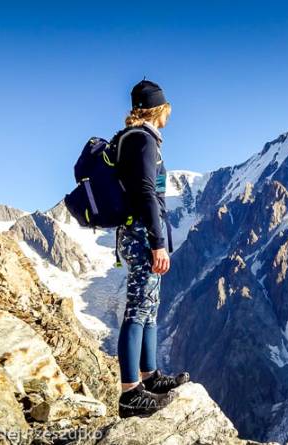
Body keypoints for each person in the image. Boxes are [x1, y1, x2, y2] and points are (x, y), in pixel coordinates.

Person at [114, 79, 189, 418]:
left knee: (149, 307)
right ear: (159, 109)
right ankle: (130, 392)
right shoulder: (143, 142)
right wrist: (158, 243)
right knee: (137, 309)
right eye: (167, 108)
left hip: (141, 233)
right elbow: (148, 194)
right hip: (142, 234)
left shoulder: (141, 141)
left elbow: (153, 193)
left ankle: (150, 376)